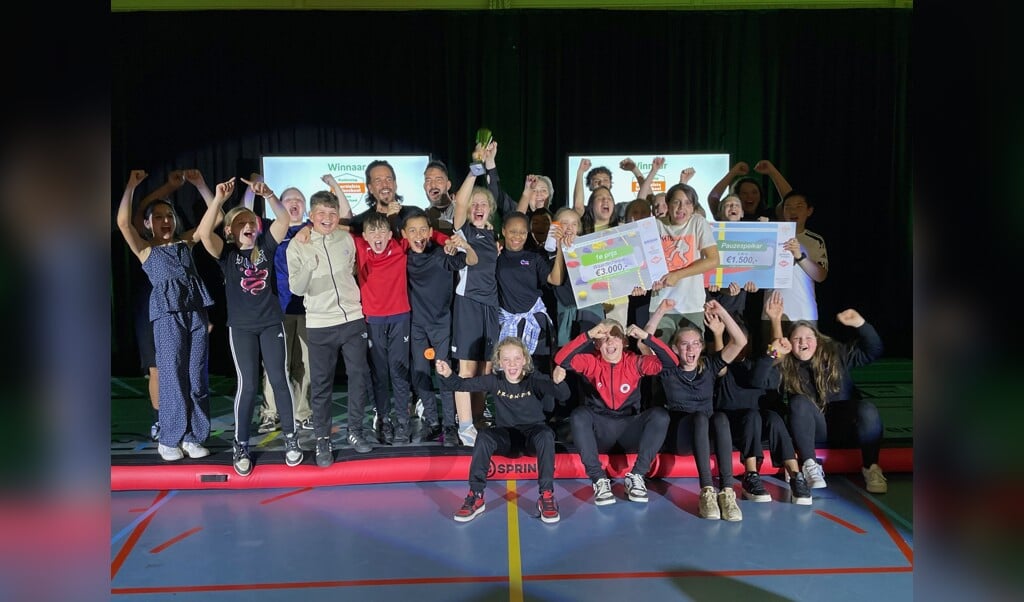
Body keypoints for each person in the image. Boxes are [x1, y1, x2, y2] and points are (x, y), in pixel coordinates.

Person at [195, 177, 304, 475]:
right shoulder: (227, 255)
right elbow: (203, 232)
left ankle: (291, 440)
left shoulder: (267, 246)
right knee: (248, 384)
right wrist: (217, 200)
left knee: (279, 379)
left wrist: (268, 193)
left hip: (271, 324)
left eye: (251, 220)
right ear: (230, 231)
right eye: (240, 222)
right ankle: (241, 444)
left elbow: (283, 218)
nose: (248, 224)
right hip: (241, 328)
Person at [116, 169, 215, 462]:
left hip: (195, 313)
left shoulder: (185, 243)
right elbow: (122, 222)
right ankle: (169, 437)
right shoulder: (146, 250)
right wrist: (132, 185)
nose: (165, 221)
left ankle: (193, 436)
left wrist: (202, 185)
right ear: (148, 224)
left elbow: (215, 216)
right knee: (171, 375)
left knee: (197, 376)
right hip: (168, 316)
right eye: (158, 217)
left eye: (168, 216)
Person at [436, 337, 571, 523]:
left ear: (525, 360)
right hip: (506, 437)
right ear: (499, 362)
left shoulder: (535, 379)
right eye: (506, 359)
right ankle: (476, 495)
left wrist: (558, 382)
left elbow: (564, 395)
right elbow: (460, 385)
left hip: (533, 435)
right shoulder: (495, 380)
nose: (512, 364)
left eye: (517, 358)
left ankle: (546, 495)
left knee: (546, 434)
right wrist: (448, 373)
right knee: (483, 436)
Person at [766, 292, 887, 493]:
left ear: (818, 340)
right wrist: (776, 322)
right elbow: (768, 365)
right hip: (813, 431)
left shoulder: (835, 353)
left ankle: (871, 467)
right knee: (799, 402)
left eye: (808, 337)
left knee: (867, 408)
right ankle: (810, 465)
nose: (803, 342)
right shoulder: (787, 364)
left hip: (844, 428)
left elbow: (873, 350)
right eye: (796, 338)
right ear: (790, 343)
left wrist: (861, 324)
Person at [287, 188, 374, 466]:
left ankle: (355, 431)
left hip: (351, 319)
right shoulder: (297, 245)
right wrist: (309, 267)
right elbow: (296, 289)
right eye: (321, 214)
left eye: (332, 213)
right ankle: (323, 440)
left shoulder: (346, 239)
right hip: (320, 324)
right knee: (321, 384)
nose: (327, 218)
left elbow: (351, 270)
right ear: (311, 216)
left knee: (359, 376)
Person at [554, 319, 678, 505]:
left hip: (629, 432)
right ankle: (598, 479)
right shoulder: (591, 362)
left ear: (625, 342)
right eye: (604, 338)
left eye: (615, 336)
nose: (610, 342)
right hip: (601, 434)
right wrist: (588, 335)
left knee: (660, 415)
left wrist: (646, 337)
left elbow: (671, 362)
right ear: (597, 344)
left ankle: (637, 476)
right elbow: (561, 359)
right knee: (579, 414)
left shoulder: (635, 362)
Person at [644, 298, 747, 520]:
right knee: (700, 417)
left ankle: (727, 492)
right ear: (675, 348)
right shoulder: (668, 368)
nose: (691, 348)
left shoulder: (709, 366)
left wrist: (722, 310)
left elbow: (739, 341)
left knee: (719, 418)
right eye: (684, 344)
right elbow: (645, 342)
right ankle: (707, 491)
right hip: (681, 437)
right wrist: (661, 310)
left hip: (706, 439)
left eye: (696, 343)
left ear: (701, 347)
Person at [707, 312, 812, 505]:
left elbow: (776, 356)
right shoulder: (723, 367)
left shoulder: (756, 365)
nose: (738, 346)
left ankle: (796, 475)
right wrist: (718, 334)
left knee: (773, 417)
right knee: (752, 415)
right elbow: (721, 363)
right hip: (733, 426)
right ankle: (751, 475)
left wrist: (775, 321)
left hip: (758, 428)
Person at [238, 174, 315, 436]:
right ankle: (270, 414)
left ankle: (303, 413)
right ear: (280, 204)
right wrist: (254, 190)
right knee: (275, 365)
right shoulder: (272, 230)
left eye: (299, 200)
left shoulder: (313, 229)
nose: (294, 204)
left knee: (305, 365)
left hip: (308, 310)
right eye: (288, 200)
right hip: (277, 310)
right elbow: (243, 215)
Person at [404, 210, 477, 446]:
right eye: (412, 230)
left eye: (423, 229)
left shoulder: (442, 255)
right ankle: (432, 423)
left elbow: (470, 260)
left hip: (441, 324)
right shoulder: (402, 257)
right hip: (416, 326)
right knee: (421, 374)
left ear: (430, 231)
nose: (418, 235)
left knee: (444, 373)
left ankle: (449, 425)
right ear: (404, 234)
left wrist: (460, 245)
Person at [449, 151, 504, 446]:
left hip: (490, 307)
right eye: (474, 204)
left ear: (490, 209)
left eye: (484, 204)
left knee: (485, 370)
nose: (478, 207)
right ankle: (465, 424)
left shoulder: (495, 234)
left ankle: (479, 419)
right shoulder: (464, 231)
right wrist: (475, 169)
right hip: (468, 304)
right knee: (467, 369)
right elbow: (459, 201)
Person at [648, 182, 720, 344]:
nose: (682, 208)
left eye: (688, 203)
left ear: (693, 207)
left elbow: (713, 259)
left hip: (691, 306)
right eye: (676, 202)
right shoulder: (655, 226)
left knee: (690, 359)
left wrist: (677, 275)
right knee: (660, 358)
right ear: (668, 204)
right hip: (660, 305)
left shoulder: (697, 222)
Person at [495, 211, 565, 374]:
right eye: (512, 231)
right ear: (504, 231)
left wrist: (560, 247)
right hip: (508, 324)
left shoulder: (534, 258)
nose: (517, 236)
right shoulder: (495, 257)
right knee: (511, 376)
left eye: (522, 232)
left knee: (540, 376)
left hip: (536, 325)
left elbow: (556, 280)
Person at [760, 190, 828, 346]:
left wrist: (800, 256)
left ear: (809, 211)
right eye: (788, 207)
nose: (793, 211)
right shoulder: (769, 234)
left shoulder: (815, 240)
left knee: (804, 360)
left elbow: (821, 275)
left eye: (799, 206)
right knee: (773, 357)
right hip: (771, 312)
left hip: (804, 313)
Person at [347, 159, 420, 236]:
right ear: (370, 188)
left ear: (395, 184)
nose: (385, 185)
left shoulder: (414, 213)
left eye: (388, 179)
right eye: (378, 181)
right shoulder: (360, 222)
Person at [422, 159, 456, 235]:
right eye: (428, 181)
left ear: (448, 185)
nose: (433, 185)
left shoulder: (465, 210)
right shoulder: (423, 218)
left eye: (438, 180)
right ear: (424, 187)